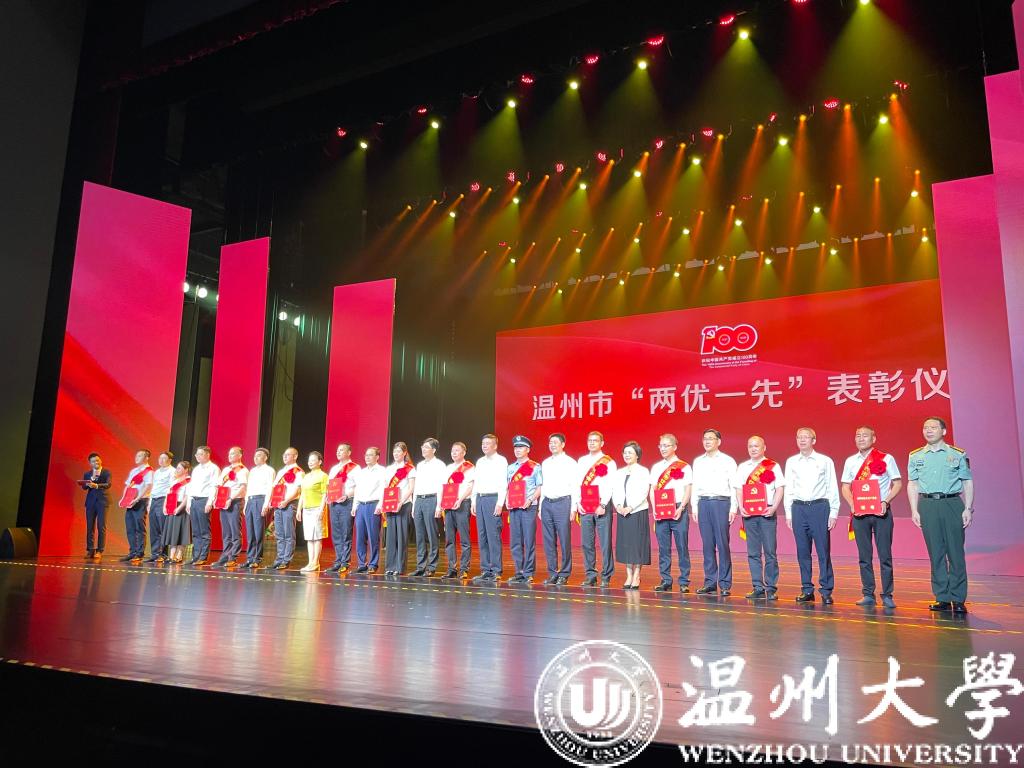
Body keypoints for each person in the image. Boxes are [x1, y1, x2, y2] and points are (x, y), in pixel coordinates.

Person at [907, 416, 974, 614]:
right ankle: (942, 597)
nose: (928, 431)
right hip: (927, 504)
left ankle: (958, 598)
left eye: (933, 427)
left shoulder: (957, 454)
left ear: (943, 431)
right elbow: (913, 484)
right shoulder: (916, 456)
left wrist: (968, 508)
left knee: (955, 552)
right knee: (935, 553)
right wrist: (914, 509)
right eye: (925, 427)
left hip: (951, 503)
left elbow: (967, 481)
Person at [841, 426, 903, 608]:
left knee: (885, 556)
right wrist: (852, 504)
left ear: (873, 438)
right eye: (858, 435)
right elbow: (845, 486)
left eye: (865, 435)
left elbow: (897, 483)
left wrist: (886, 501)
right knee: (864, 556)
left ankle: (887, 594)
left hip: (881, 513)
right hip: (860, 514)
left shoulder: (886, 458)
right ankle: (868, 593)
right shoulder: (850, 461)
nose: (861, 439)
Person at [783, 427, 840, 604]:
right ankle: (807, 589)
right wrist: (788, 513)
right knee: (802, 551)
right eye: (799, 437)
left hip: (819, 507)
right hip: (798, 508)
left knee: (823, 550)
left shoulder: (824, 461)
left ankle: (826, 590)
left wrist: (834, 512)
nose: (802, 440)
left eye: (806, 437)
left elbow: (832, 486)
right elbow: (789, 488)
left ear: (813, 440)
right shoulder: (792, 462)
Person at [733, 436, 785, 600]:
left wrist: (774, 507)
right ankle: (757, 587)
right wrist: (741, 506)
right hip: (749, 513)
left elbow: (780, 488)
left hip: (767, 512)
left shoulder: (773, 465)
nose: (753, 449)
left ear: (764, 448)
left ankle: (771, 588)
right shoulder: (743, 467)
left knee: (770, 552)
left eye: (756, 446)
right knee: (753, 552)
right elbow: (739, 489)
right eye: (750, 446)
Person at [692, 430, 738, 596]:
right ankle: (710, 582)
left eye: (711, 439)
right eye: (705, 438)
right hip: (703, 503)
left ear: (719, 441)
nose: (707, 441)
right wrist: (694, 507)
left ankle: (724, 583)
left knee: (722, 543)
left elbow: (734, 486)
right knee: (707, 544)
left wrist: (733, 508)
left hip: (721, 503)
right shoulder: (698, 461)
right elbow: (695, 485)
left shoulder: (728, 461)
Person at [649, 434, 693, 593]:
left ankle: (684, 581)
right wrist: (655, 508)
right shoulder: (656, 467)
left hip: (678, 509)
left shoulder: (684, 466)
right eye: (660, 445)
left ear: (675, 447)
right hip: (661, 509)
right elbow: (653, 489)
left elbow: (688, 489)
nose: (663, 448)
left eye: (666, 445)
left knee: (682, 546)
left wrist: (681, 507)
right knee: (663, 547)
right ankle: (665, 580)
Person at [575, 431, 616, 587]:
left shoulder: (609, 462)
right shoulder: (582, 461)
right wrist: (577, 502)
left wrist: (603, 504)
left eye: (595, 440)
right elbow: (577, 483)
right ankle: (590, 575)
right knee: (587, 543)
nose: (592, 443)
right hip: (585, 506)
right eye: (589, 440)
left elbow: (610, 485)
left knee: (605, 543)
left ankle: (606, 575)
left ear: (602, 443)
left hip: (601, 506)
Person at [504, 435, 543, 585]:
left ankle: (528, 573)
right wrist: (507, 500)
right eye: (516, 447)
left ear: (528, 449)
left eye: (520, 447)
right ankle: (519, 572)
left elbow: (539, 488)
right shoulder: (510, 468)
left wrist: (530, 500)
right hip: (514, 508)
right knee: (515, 541)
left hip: (528, 507)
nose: (517, 450)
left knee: (528, 540)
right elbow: (508, 487)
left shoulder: (535, 467)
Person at [612, 441, 651, 589]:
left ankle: (637, 575)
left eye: (630, 453)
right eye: (625, 452)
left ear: (637, 455)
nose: (627, 455)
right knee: (626, 544)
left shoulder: (643, 471)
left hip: (637, 511)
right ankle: (629, 575)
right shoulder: (619, 472)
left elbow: (643, 492)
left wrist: (631, 506)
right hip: (622, 512)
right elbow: (615, 491)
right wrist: (618, 506)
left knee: (637, 544)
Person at [540, 433, 577, 585]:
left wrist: (573, 508)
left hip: (563, 503)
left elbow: (575, 486)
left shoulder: (570, 462)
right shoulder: (545, 463)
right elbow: (543, 485)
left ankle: (564, 573)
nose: (552, 445)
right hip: (547, 503)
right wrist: (540, 506)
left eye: (555, 442)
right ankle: (552, 572)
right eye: (550, 442)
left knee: (564, 539)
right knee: (549, 540)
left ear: (563, 444)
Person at [471, 434, 508, 584]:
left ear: (495, 446)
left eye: (488, 443)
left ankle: (496, 570)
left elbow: (503, 483)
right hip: (480, 498)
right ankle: (485, 569)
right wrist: (473, 500)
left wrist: (500, 503)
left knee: (493, 535)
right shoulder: (480, 461)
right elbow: (476, 482)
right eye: (483, 443)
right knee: (483, 535)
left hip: (493, 499)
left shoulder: (501, 460)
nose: (484, 446)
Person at [412, 438, 447, 577]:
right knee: (419, 535)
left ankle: (432, 566)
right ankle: (420, 566)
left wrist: (439, 506)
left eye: (426, 447)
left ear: (434, 450)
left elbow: (441, 486)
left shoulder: (440, 465)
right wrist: (414, 505)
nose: (423, 449)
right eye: (422, 446)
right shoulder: (420, 465)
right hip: (419, 500)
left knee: (432, 534)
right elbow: (416, 486)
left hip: (432, 499)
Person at [381, 442, 415, 576]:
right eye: (394, 451)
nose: (396, 454)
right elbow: (386, 487)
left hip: (404, 504)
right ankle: (390, 566)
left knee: (401, 537)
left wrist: (401, 502)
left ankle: (400, 567)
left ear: (404, 453)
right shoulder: (388, 469)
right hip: (390, 504)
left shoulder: (410, 468)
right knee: (390, 536)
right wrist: (383, 503)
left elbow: (411, 488)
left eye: (399, 451)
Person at [442, 442, 475, 580]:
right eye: (452, 451)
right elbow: (444, 487)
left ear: (464, 452)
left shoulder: (469, 467)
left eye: (457, 450)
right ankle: (452, 569)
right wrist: (442, 504)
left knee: (464, 538)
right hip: (448, 505)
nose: (454, 453)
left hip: (462, 504)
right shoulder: (448, 468)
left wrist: (460, 500)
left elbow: (470, 487)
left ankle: (464, 569)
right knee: (449, 539)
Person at [326, 443, 360, 574]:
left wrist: (346, 495)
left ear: (349, 452)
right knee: (336, 533)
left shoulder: (355, 468)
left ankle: (345, 562)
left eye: (341, 450)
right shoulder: (334, 469)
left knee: (346, 533)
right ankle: (338, 561)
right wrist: (328, 496)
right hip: (334, 503)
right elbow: (330, 486)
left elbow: (358, 487)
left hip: (347, 502)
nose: (338, 452)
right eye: (337, 450)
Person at [268, 447, 304, 570]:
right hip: (278, 505)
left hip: (289, 504)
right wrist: (272, 501)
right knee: (279, 534)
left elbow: (297, 490)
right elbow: (275, 488)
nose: (285, 456)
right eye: (284, 454)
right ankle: (279, 559)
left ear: (295, 456)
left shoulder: (298, 471)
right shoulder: (281, 471)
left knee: (288, 533)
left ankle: (286, 560)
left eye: (288, 454)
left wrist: (286, 501)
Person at [212, 446, 247, 568]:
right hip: (223, 502)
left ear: (240, 455)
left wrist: (230, 498)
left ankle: (233, 557)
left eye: (233, 453)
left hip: (235, 501)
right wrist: (215, 499)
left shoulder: (243, 470)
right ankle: (225, 556)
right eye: (229, 454)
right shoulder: (226, 470)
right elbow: (219, 485)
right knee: (226, 532)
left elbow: (243, 488)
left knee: (234, 531)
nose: (229, 456)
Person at [352, 447, 386, 573]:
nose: (367, 457)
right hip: (361, 505)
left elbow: (383, 489)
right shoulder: (361, 472)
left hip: (373, 504)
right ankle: (362, 564)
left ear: (377, 457)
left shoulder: (382, 471)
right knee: (360, 537)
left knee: (373, 536)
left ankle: (373, 564)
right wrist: (355, 506)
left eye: (370, 455)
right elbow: (357, 490)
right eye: (366, 455)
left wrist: (380, 505)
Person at [185, 446, 220, 566]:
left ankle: (203, 557)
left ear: (207, 455)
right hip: (194, 500)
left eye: (200, 454)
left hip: (204, 500)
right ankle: (195, 556)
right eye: (196, 454)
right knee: (195, 531)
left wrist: (210, 502)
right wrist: (189, 502)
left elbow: (214, 486)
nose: (197, 456)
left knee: (204, 530)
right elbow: (191, 486)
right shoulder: (196, 469)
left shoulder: (213, 468)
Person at [243, 448, 274, 568]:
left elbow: (270, 488)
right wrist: (246, 503)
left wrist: (266, 504)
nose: (256, 458)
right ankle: (250, 558)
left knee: (258, 530)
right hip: (250, 501)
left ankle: (257, 558)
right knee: (250, 531)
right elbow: (249, 488)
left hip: (260, 500)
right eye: (255, 455)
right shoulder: (252, 471)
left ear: (265, 457)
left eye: (259, 455)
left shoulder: (269, 470)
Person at [298, 451, 329, 572]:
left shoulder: (323, 476)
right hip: (307, 509)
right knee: (309, 537)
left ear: (320, 462)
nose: (310, 462)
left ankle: (316, 562)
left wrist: (321, 509)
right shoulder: (306, 476)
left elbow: (325, 494)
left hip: (317, 508)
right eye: (309, 460)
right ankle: (310, 562)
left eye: (313, 460)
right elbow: (302, 494)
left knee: (317, 536)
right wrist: (299, 509)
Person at [121, 450, 154, 564]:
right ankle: (132, 552)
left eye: (140, 455)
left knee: (139, 527)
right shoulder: (134, 471)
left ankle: (139, 553)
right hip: (130, 501)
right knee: (130, 527)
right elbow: (128, 486)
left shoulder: (149, 471)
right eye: (136, 455)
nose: (137, 457)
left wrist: (137, 499)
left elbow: (148, 486)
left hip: (141, 501)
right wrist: (124, 499)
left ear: (146, 458)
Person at [145, 451, 176, 563]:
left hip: (163, 500)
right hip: (154, 499)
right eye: (160, 458)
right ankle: (154, 553)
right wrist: (150, 503)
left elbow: (171, 488)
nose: (161, 460)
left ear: (170, 460)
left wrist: (166, 503)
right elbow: (154, 488)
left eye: (164, 458)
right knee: (154, 528)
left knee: (163, 527)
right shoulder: (157, 472)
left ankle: (162, 554)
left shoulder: (172, 471)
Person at [81, 452, 111, 560]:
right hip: (90, 502)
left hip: (103, 502)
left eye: (97, 460)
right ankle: (90, 550)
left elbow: (108, 484)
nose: (96, 462)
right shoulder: (88, 474)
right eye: (93, 461)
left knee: (101, 526)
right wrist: (87, 483)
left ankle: (99, 550)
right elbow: (84, 487)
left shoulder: (106, 472)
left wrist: (96, 485)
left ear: (100, 460)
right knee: (90, 526)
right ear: (90, 463)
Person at [162, 461, 192, 564]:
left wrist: (179, 508)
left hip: (181, 507)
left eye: (179, 468)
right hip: (171, 506)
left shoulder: (189, 481)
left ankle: (179, 556)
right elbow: (168, 495)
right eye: (177, 468)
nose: (177, 470)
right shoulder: (174, 481)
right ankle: (171, 556)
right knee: (173, 532)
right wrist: (165, 506)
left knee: (181, 532)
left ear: (186, 470)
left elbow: (187, 497)